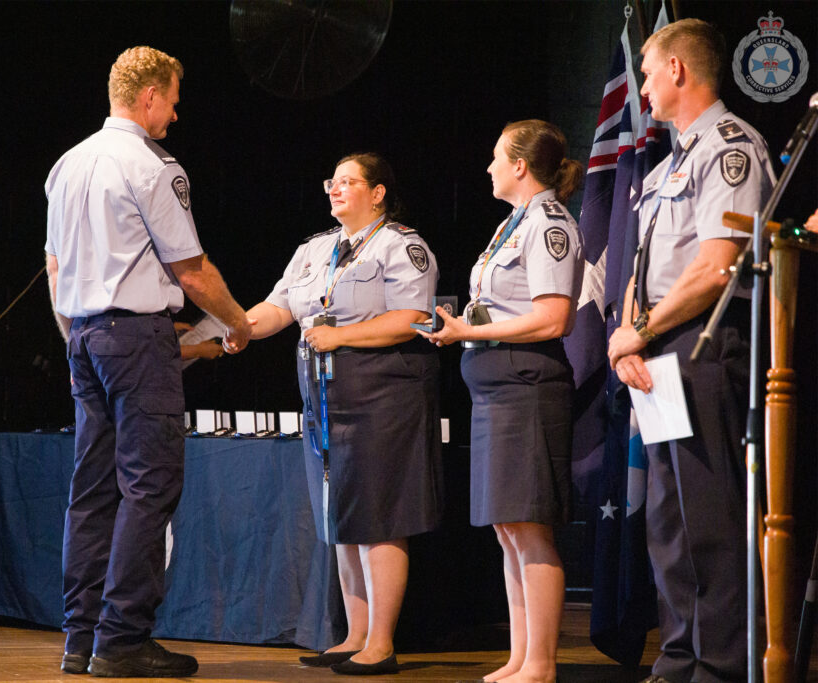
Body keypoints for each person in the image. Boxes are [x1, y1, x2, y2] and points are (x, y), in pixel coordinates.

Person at [44, 45, 251, 678]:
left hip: (81, 335)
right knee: (149, 485)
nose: (176, 116)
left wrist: (80, 332)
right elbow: (191, 268)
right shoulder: (153, 166)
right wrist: (238, 323)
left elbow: (55, 266)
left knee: (92, 491)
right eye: (174, 102)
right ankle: (122, 638)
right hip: (133, 342)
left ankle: (80, 639)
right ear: (150, 97)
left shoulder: (66, 164)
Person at [606, 19, 774, 683]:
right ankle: (680, 654)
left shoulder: (730, 146)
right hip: (658, 347)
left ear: (677, 70)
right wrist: (624, 340)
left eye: (647, 72)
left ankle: (723, 664)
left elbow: (714, 267)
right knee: (671, 517)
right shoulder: (672, 159)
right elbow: (643, 266)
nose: (642, 87)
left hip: (703, 343)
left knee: (708, 513)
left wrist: (638, 332)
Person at [245, 153, 443, 675]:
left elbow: (413, 317)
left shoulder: (403, 246)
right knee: (343, 517)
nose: (335, 188)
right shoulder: (314, 249)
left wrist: (341, 336)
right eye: (332, 181)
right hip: (325, 402)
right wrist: (237, 326)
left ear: (377, 193)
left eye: (348, 181)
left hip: (382, 398)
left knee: (379, 517)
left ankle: (381, 642)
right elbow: (280, 306)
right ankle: (353, 634)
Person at [421, 119, 584, 683]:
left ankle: (540, 664)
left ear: (520, 165)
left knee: (531, 525)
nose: (488, 167)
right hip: (495, 390)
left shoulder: (548, 224)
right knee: (507, 527)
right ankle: (519, 656)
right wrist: (459, 325)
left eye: (496, 157)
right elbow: (504, 309)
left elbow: (553, 316)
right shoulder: (512, 224)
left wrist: (472, 334)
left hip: (528, 389)